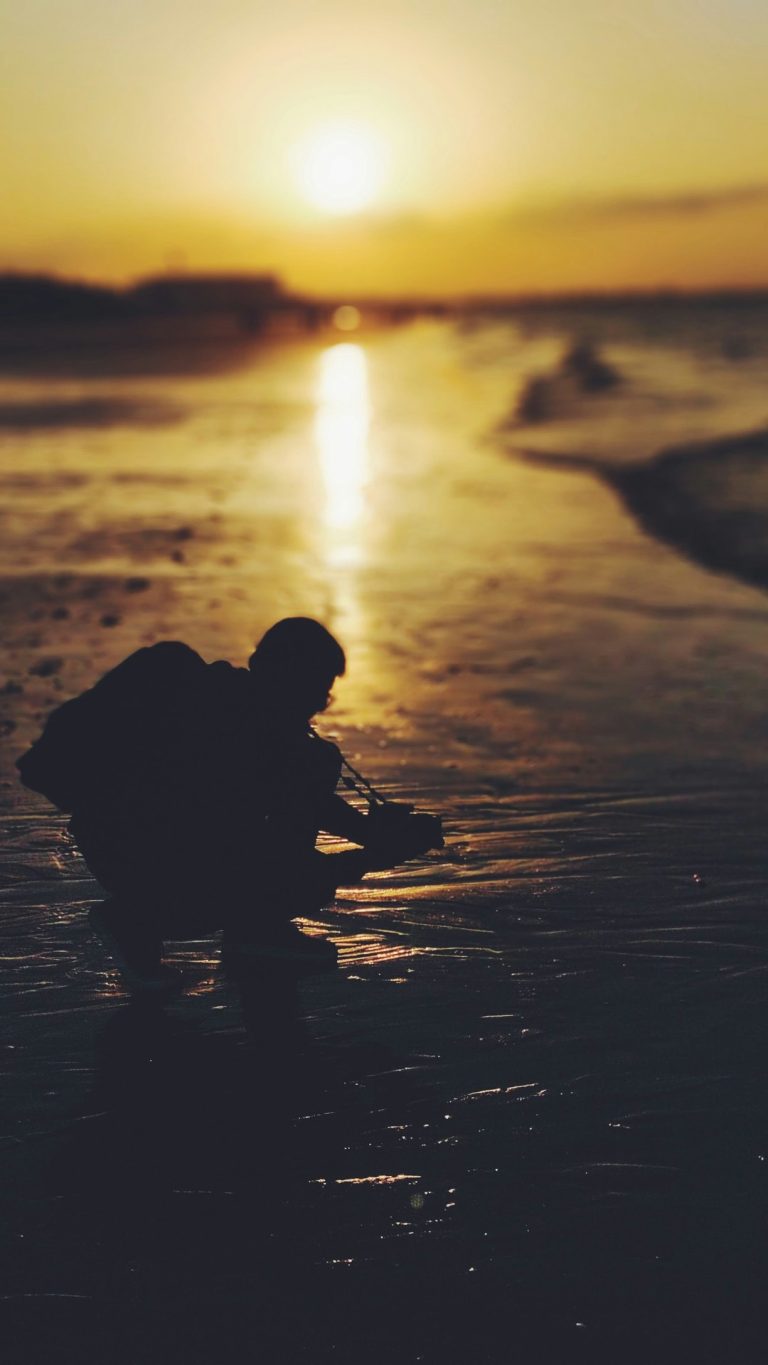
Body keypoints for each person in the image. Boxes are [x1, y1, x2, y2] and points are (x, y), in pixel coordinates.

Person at [73, 618, 439, 991]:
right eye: (316, 689)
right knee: (298, 873)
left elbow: (289, 798)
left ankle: (201, 924)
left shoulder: (232, 709)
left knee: (290, 849)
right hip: (147, 859)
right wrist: (371, 850)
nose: (318, 705)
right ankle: (221, 926)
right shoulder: (238, 729)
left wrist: (369, 833)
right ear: (286, 677)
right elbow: (265, 823)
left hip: (125, 847)